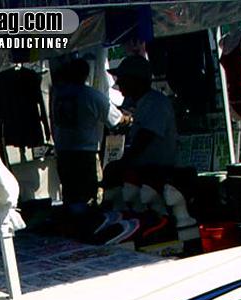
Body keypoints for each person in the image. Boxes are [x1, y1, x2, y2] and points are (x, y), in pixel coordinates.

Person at [51, 58, 128, 213]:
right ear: (86, 74)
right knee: (89, 197)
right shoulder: (91, 95)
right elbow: (115, 119)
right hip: (84, 153)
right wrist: (129, 118)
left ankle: (72, 222)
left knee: (70, 195)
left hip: (63, 152)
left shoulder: (58, 94)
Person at [110, 55, 178, 176]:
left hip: (157, 175)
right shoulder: (142, 103)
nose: (118, 82)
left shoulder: (156, 103)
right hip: (145, 172)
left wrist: (122, 163)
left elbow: (144, 139)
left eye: (122, 78)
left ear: (136, 81)